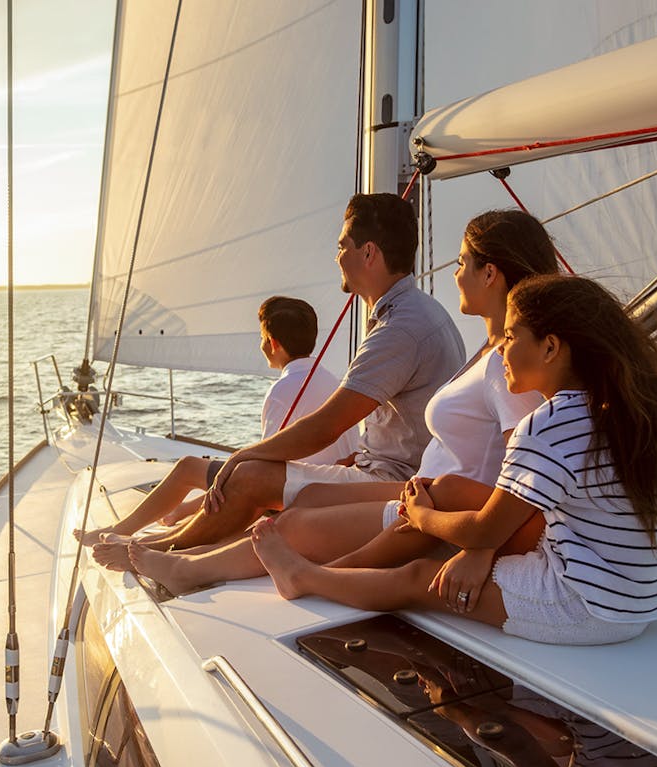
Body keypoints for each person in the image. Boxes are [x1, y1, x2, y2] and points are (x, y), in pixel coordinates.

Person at [253, 274, 657, 646]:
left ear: (550, 348)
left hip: (586, 605)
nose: (500, 349)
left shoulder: (549, 423)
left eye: (511, 336)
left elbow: (487, 529)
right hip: (640, 598)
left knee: (418, 577)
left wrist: (423, 516)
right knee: (451, 490)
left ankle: (305, 578)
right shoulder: (622, 410)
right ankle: (344, 567)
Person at [125, 210, 557, 594]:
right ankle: (188, 553)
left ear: (490, 274)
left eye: (462, 262)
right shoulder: (487, 348)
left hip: (440, 507)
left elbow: (525, 469)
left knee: (281, 510)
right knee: (307, 499)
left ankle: (187, 566)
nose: (454, 273)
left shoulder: (503, 362)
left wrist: (481, 545)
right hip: (425, 489)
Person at [91, 193, 465, 568]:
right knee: (251, 475)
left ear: (368, 253)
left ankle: (163, 552)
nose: (337, 257)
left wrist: (244, 454)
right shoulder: (418, 313)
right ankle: (167, 541)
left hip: (395, 483)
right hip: (391, 472)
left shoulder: (400, 327)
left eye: (342, 247)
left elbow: (326, 427)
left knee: (249, 476)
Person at [77, 296, 357, 542]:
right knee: (220, 474)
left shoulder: (283, 391)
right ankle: (179, 512)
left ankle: (122, 529)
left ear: (273, 343)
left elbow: (261, 470)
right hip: (327, 487)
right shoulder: (333, 381)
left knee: (188, 467)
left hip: (292, 491)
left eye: (262, 338)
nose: (261, 344)